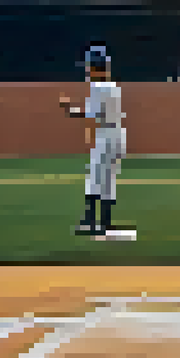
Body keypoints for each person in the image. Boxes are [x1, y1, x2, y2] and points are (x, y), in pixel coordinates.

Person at [58, 45, 126, 236]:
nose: (87, 70)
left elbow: (93, 114)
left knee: (96, 177)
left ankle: (90, 222)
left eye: (89, 66)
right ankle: (105, 222)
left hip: (106, 134)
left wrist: (70, 110)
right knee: (107, 179)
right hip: (117, 134)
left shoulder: (98, 87)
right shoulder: (113, 86)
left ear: (96, 68)